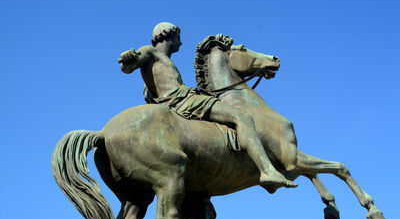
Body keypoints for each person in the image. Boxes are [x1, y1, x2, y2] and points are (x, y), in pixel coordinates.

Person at [118, 22, 297, 188]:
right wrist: (128, 60)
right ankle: (267, 170)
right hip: (183, 100)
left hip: (183, 99)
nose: (180, 43)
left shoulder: (165, 60)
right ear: (167, 35)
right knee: (240, 116)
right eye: (178, 37)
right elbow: (128, 66)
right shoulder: (150, 51)